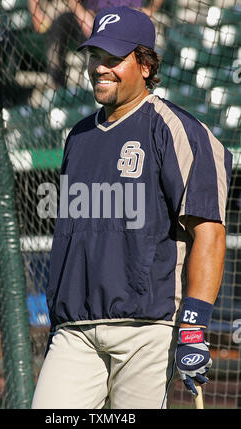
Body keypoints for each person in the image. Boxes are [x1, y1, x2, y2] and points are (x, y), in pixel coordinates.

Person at [31, 6, 232, 409]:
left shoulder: (178, 129)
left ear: (145, 64)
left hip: (148, 329)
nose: (99, 68)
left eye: (114, 59)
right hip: (76, 333)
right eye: (94, 57)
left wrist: (193, 327)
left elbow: (208, 232)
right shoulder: (78, 136)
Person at [28, 0, 164, 88]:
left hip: (133, 14)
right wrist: (81, 15)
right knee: (61, 24)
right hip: (95, 16)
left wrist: (151, 10)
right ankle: (58, 87)